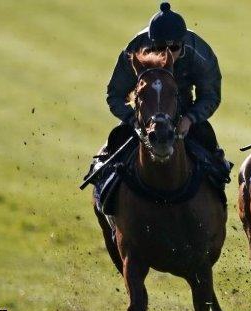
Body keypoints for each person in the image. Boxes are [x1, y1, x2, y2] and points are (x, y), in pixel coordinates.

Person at [93, 2, 230, 182]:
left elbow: (210, 95)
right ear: (151, 43)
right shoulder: (135, 49)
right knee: (105, 161)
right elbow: (115, 95)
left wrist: (190, 119)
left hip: (184, 110)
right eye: (159, 49)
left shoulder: (200, 53)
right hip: (145, 114)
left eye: (173, 48)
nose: (167, 55)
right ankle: (100, 183)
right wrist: (132, 120)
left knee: (217, 162)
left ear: (183, 43)